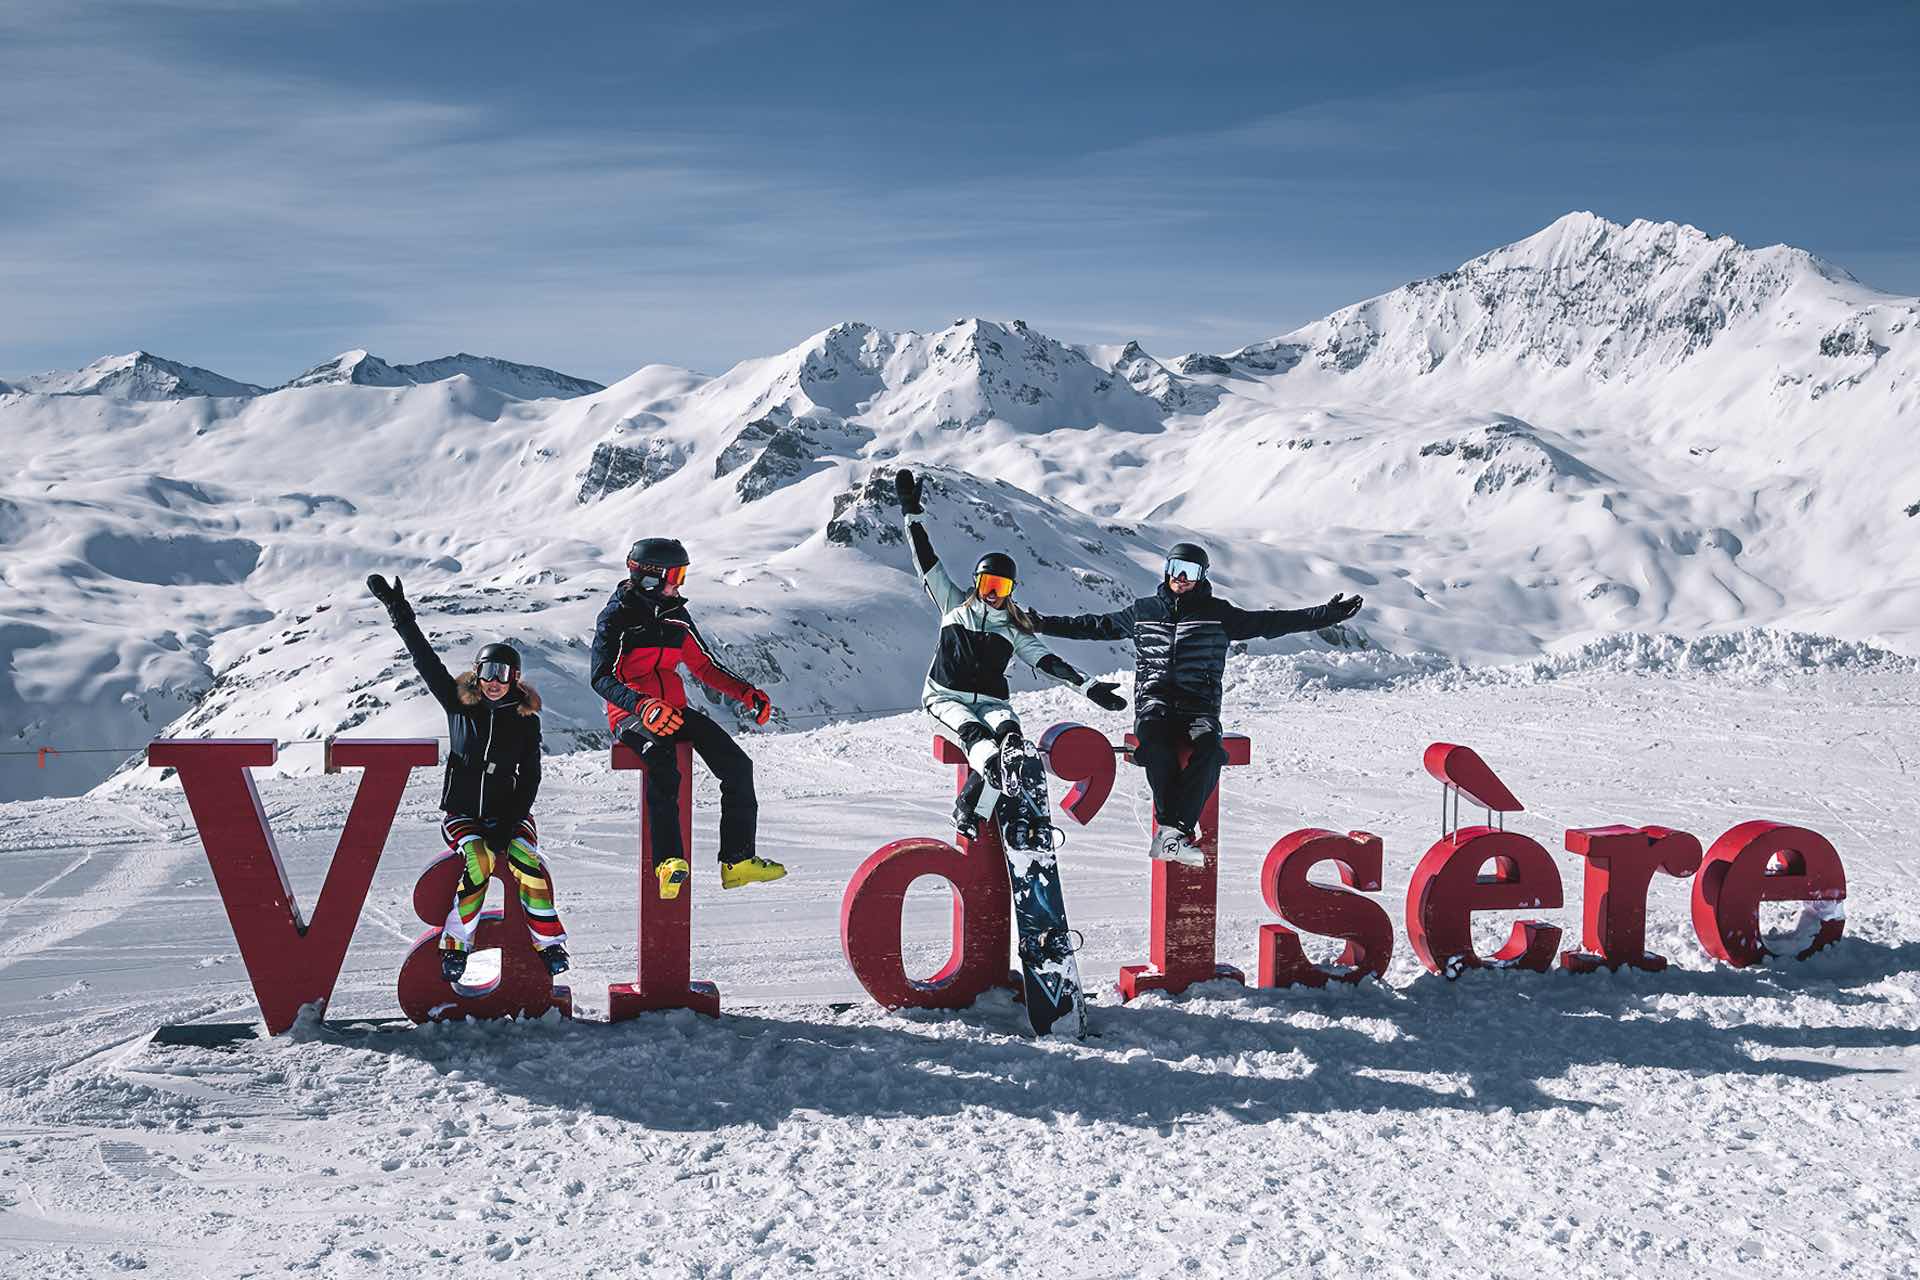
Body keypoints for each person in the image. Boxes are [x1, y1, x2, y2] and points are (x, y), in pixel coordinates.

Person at [1027, 542, 1362, 867]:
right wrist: (1042, 624)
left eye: (1189, 571)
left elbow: (1270, 623)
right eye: (1175, 568)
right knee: (1155, 750)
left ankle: (1175, 833)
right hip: (1153, 705)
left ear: (1202, 576)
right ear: (1167, 570)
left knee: (1211, 752)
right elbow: (1093, 626)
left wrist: (1325, 616)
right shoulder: (1143, 612)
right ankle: (1171, 834)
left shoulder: (1219, 615)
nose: (1181, 577)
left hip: (1198, 708)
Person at [893, 468, 1127, 836]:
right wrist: (911, 512)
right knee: (977, 737)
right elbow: (925, 558)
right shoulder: (953, 603)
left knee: (1010, 738)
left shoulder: (1012, 629)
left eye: (1000, 586)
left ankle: (977, 810)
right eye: (988, 583)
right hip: (945, 697)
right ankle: (971, 809)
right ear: (977, 582)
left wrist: (1089, 687)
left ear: (1010, 591)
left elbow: (1048, 662)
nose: (992, 592)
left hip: (991, 701)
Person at [366, 574, 567, 982]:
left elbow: (530, 776)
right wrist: (399, 613)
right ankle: (457, 948)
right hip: (462, 814)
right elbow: (424, 658)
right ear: (477, 674)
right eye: (488, 672)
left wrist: (511, 821)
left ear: (515, 678)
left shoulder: (524, 720)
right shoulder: (459, 705)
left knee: (526, 860)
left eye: (504, 673)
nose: (494, 681)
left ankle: (548, 944)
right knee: (478, 860)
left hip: (510, 813)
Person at [589, 537, 784, 900]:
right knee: (663, 763)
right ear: (649, 577)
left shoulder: (676, 614)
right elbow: (601, 677)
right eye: (674, 575)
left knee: (737, 765)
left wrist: (746, 693)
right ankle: (667, 862)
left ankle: (737, 861)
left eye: (682, 574)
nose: (679, 583)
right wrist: (642, 705)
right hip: (632, 713)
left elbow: (703, 665)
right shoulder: (617, 617)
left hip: (674, 708)